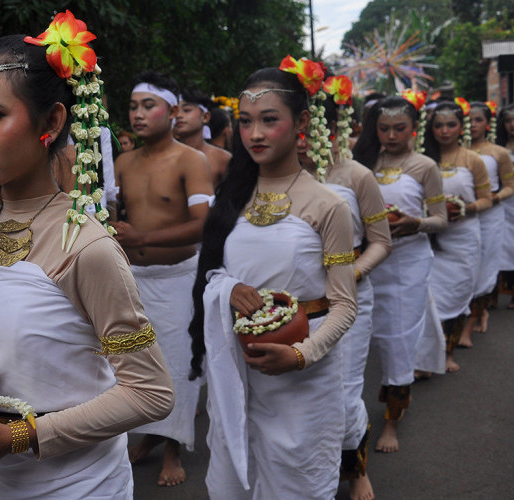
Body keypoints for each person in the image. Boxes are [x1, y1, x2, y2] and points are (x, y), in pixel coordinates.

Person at [0, 14, 174, 499]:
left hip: (72, 484)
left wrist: (17, 436)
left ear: (51, 122)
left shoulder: (86, 246)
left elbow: (150, 393)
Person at [189, 61, 358, 499]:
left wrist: (301, 355)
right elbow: (214, 272)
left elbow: (345, 305)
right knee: (235, 470)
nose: (255, 134)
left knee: (298, 479)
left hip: (305, 374)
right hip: (241, 365)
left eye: (269, 120)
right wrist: (229, 287)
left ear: (301, 122)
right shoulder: (233, 196)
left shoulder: (328, 205)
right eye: (245, 122)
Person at [113, 71, 214, 487]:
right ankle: (150, 435)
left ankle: (172, 448)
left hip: (177, 277)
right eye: (134, 106)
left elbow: (203, 224)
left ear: (172, 112)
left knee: (175, 362)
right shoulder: (121, 162)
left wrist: (145, 237)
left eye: (148, 106)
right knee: (134, 363)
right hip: (133, 277)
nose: (138, 114)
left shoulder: (193, 160)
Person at [298, 75, 392, 500]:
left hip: (349, 295)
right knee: (303, 392)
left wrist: (349, 275)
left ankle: (356, 470)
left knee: (344, 390)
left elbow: (381, 243)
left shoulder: (356, 174)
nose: (300, 139)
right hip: (297, 300)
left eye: (308, 128)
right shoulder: (275, 176)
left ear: (328, 127)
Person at [353, 95, 447, 454]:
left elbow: (440, 219)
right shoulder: (360, 161)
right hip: (365, 261)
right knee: (357, 338)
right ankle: (348, 416)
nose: (391, 136)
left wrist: (415, 223)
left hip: (407, 263)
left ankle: (392, 420)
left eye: (399, 128)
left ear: (414, 129)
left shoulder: (425, 166)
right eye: (383, 128)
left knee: (399, 341)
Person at [423, 100, 492, 372]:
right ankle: (427, 357)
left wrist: (464, 208)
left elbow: (487, 200)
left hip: (463, 238)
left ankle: (448, 353)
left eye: (451, 124)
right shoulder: (424, 158)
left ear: (460, 127)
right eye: (438, 125)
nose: (444, 130)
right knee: (430, 301)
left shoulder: (473, 160)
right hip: (431, 239)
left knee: (455, 298)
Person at [460, 102, 514, 343]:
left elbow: (510, 186)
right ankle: (469, 313)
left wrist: (492, 198)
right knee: (466, 267)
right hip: (463, 216)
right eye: (469, 120)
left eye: (478, 120)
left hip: (490, 215)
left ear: (488, 123)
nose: (473, 124)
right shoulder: (455, 151)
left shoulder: (498, 152)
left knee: (486, 267)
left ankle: (472, 320)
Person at [175, 88, 232, 188]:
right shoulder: (162, 157)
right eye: (174, 111)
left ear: (205, 117)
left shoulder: (222, 159)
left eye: (186, 110)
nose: (179, 115)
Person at [495, 103, 514, 308]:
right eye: (508, 121)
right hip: (504, 201)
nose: (512, 125)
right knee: (503, 246)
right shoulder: (498, 147)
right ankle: (498, 290)